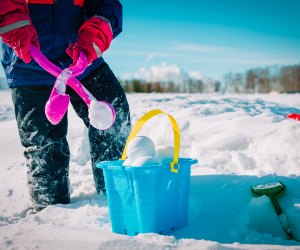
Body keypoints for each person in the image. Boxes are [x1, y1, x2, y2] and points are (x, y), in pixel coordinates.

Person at [0, 0, 131, 212]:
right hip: (29, 65)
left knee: (113, 118)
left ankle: (117, 197)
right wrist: (10, 19)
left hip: (84, 58)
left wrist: (99, 28)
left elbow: (106, 4)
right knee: (43, 146)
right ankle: (52, 216)